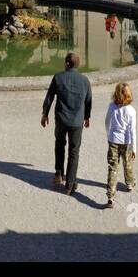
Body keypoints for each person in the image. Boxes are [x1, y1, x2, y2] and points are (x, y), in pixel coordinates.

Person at [41, 52, 92, 197]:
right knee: (74, 152)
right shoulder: (85, 80)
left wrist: (45, 114)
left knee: (59, 144)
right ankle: (70, 185)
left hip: (61, 120)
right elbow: (88, 101)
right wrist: (87, 117)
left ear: (67, 63)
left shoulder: (58, 77)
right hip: (77, 122)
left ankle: (58, 173)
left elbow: (49, 97)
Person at [103, 82, 137, 209]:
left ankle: (110, 196)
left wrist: (109, 135)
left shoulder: (112, 106)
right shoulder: (131, 110)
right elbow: (132, 131)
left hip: (113, 140)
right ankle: (129, 183)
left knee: (113, 167)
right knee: (127, 163)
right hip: (126, 141)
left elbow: (107, 122)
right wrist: (134, 148)